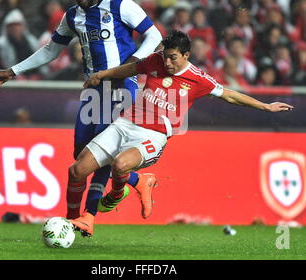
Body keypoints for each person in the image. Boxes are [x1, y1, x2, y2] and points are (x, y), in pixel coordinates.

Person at [0, 0, 162, 233]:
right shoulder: (72, 16)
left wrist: (133, 64)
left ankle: (84, 217)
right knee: (81, 156)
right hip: (92, 90)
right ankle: (137, 180)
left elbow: (155, 36)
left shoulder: (120, 4)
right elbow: (51, 50)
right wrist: (12, 71)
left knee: (101, 149)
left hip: (120, 85)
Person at [65, 30, 292, 236]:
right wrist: (103, 74)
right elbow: (132, 68)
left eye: (173, 57)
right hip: (125, 124)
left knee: (120, 165)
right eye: (165, 56)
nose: (167, 61)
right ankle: (71, 222)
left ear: (186, 55)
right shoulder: (155, 60)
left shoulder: (199, 79)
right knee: (77, 170)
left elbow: (230, 95)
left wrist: (265, 106)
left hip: (152, 136)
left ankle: (116, 194)